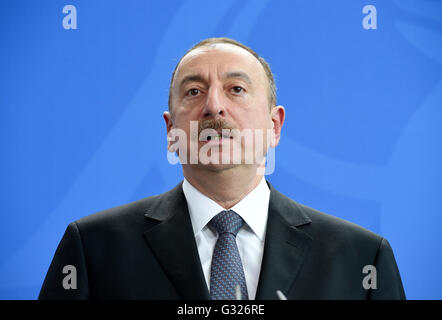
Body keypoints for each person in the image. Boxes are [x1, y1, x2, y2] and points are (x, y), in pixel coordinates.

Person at [39, 37, 405, 300]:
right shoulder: (93, 249)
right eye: (194, 92)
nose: (214, 107)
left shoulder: (360, 257)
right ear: (170, 131)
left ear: (274, 127)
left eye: (236, 89)